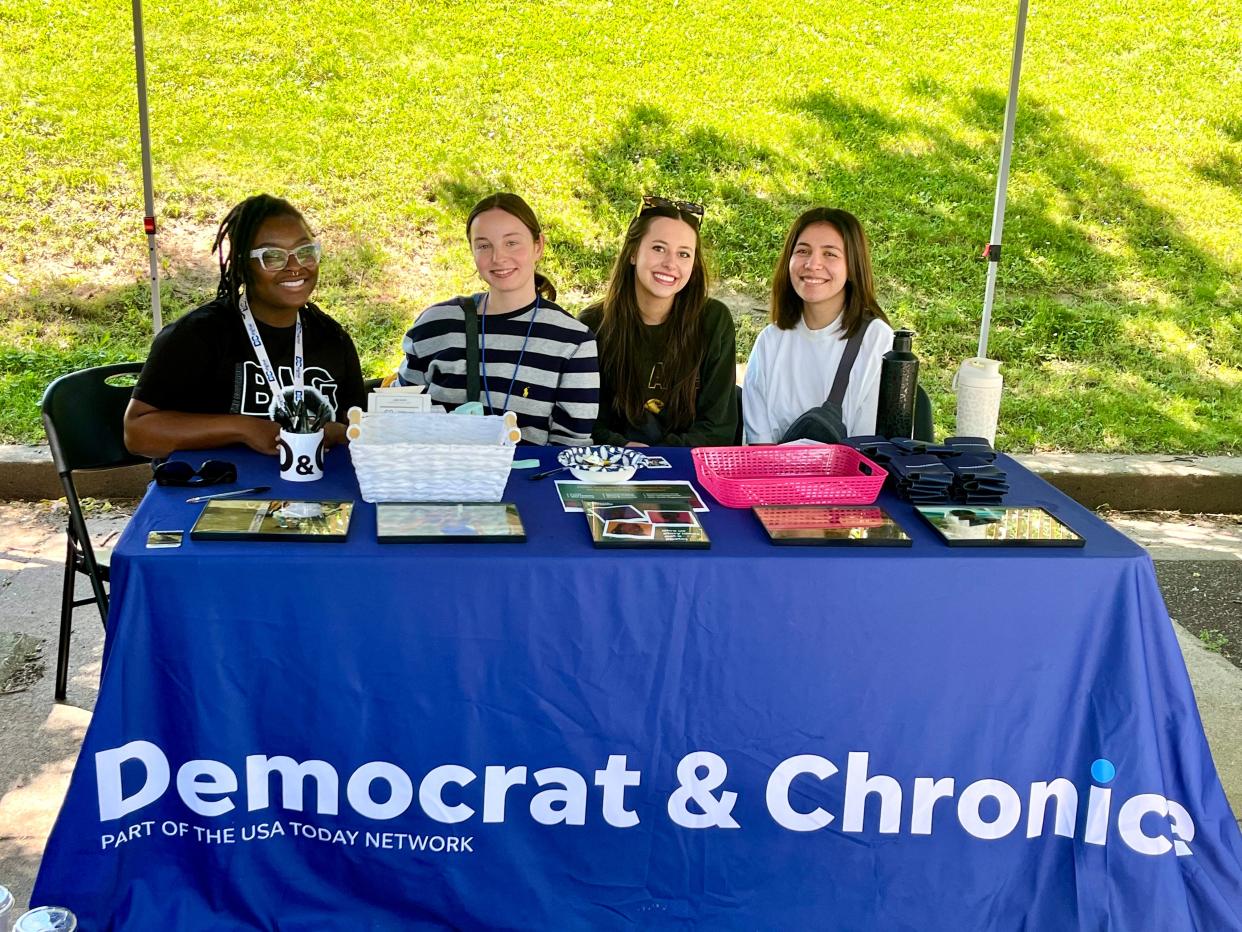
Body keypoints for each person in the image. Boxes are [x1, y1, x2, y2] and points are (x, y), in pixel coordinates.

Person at [124, 194, 366, 458]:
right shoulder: (199, 335)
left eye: (305, 251)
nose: (295, 267)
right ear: (242, 265)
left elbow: (357, 425)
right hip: (215, 491)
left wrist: (339, 432)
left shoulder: (332, 339)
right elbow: (137, 433)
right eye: (272, 256)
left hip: (315, 490)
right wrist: (243, 428)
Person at [398, 193, 598, 445]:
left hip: (526, 482)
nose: (498, 257)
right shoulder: (434, 326)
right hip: (439, 479)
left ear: (539, 246)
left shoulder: (574, 342)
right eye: (483, 245)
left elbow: (569, 450)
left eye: (512, 243)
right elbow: (398, 420)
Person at [579, 196, 737, 447]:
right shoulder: (593, 323)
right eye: (658, 248)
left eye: (684, 254)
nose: (670, 264)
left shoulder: (713, 320)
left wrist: (659, 456)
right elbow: (584, 420)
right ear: (633, 253)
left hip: (685, 467)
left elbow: (718, 428)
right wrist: (623, 447)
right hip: (612, 467)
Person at [743, 207, 894, 443]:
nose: (813, 264)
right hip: (775, 477)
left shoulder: (878, 341)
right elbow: (759, 447)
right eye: (803, 251)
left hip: (853, 478)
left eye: (830, 254)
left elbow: (872, 451)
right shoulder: (770, 341)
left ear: (853, 266)